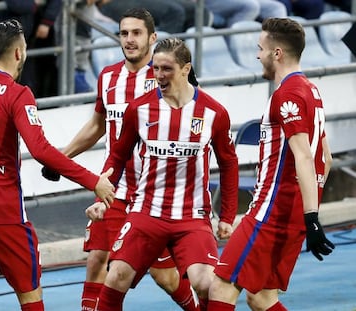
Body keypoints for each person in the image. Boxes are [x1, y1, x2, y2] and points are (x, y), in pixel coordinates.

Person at [0, 19, 114, 311]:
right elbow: (41, 150)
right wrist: (93, 180)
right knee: (30, 294)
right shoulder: (18, 95)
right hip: (2, 214)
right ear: (20, 53)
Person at [41, 8, 203, 311]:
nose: (129, 40)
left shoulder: (165, 78)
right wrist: (60, 159)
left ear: (153, 38)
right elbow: (97, 125)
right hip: (112, 189)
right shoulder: (108, 77)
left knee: (164, 276)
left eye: (136, 33)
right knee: (97, 259)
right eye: (124, 33)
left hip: (152, 196)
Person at [88, 37, 239, 311]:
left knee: (206, 283)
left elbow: (229, 164)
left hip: (192, 217)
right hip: (146, 213)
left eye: (166, 69)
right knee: (116, 275)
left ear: (185, 68)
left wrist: (227, 216)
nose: (159, 75)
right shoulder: (139, 109)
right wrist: (102, 195)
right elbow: (118, 157)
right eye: (156, 68)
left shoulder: (213, 112)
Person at [208, 17, 335, 311]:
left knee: (222, 285)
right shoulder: (311, 91)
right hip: (289, 212)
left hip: (271, 212)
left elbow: (305, 156)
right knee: (262, 297)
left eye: (260, 48)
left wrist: (312, 216)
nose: (257, 55)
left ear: (276, 53)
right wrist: (306, 212)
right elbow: (325, 158)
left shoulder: (287, 94)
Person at [0, 0, 62, 98]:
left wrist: (46, 22)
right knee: (3, 79)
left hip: (25, 38)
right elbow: (15, 4)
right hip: (3, 38)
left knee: (27, 79)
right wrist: (33, 4)